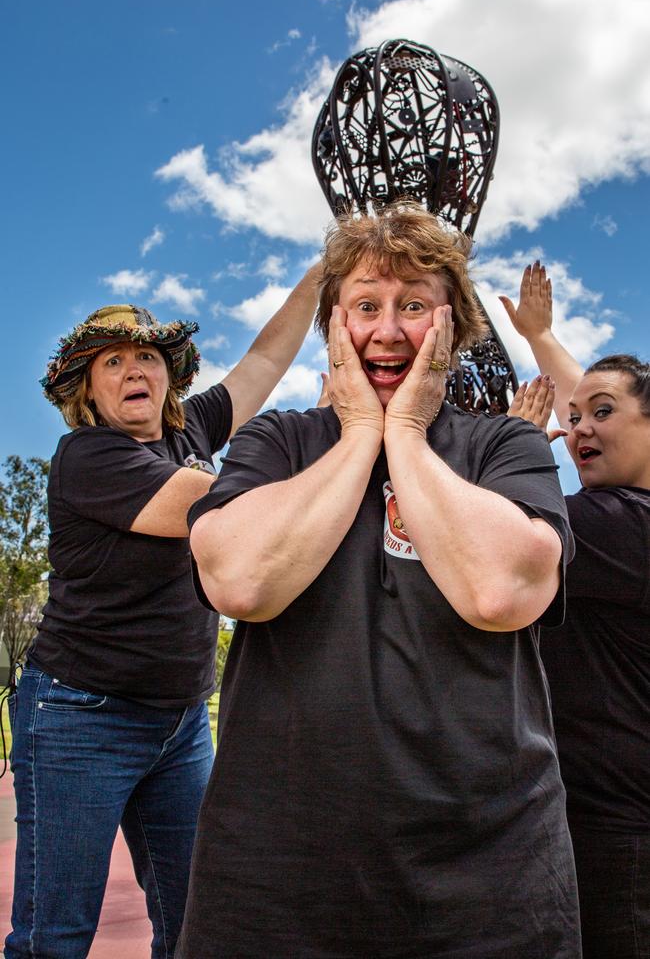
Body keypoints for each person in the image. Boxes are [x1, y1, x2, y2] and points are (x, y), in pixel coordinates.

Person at [176, 203, 581, 959]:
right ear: (334, 327)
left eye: (415, 307)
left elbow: (502, 592)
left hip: (488, 875)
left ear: (453, 329)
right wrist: (361, 432)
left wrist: (404, 435)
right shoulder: (278, 441)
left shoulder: (507, 448)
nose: (388, 331)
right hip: (276, 876)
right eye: (365, 306)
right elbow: (239, 580)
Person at [5, 265, 321, 959]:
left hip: (179, 723)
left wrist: (323, 279)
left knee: (196, 925)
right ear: (86, 389)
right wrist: (348, 444)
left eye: (146, 356)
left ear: (167, 375)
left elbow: (265, 360)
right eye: (110, 362)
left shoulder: (191, 431)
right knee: (53, 937)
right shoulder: (87, 457)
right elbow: (212, 508)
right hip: (80, 716)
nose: (131, 370)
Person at [502, 261, 650, 959]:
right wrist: (540, 336)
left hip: (617, 837)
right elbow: (596, 401)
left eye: (602, 416)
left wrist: (510, 447)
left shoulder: (617, 524)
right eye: (575, 415)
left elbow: (498, 528)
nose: (580, 427)